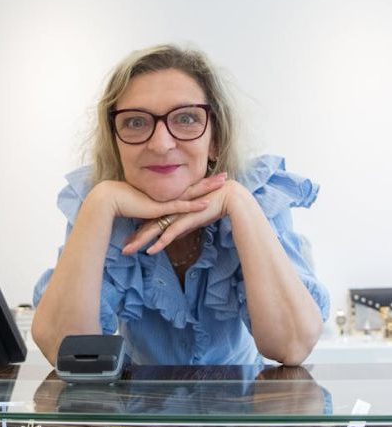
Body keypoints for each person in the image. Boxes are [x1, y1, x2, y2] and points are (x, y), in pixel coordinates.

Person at [32, 44, 329, 367]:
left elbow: (292, 346)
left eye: (186, 118)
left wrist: (237, 201)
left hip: (241, 408)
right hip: (140, 409)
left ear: (214, 139)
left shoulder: (257, 196)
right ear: (115, 141)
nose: (160, 144)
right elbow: (67, 351)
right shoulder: (98, 206)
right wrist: (101, 203)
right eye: (135, 122)